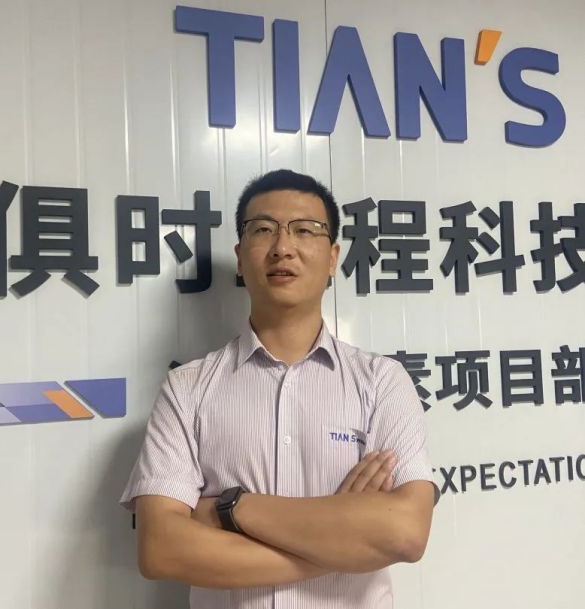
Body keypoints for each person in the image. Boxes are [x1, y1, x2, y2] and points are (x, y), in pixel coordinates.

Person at [120, 169, 439, 608]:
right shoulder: (187, 388)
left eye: (305, 230)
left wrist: (232, 508)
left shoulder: (381, 381)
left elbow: (405, 533)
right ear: (240, 256)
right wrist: (342, 542)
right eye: (263, 230)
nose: (283, 247)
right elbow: (161, 549)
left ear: (333, 257)